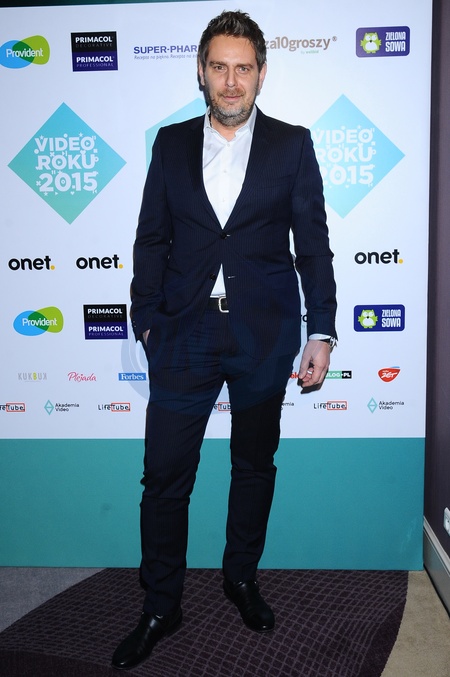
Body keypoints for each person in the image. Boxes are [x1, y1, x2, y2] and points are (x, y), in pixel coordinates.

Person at [112, 9, 337, 671]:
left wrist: (321, 330)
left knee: (254, 465)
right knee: (164, 478)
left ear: (261, 73)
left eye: (243, 68)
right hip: (182, 333)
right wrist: (146, 319)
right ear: (202, 72)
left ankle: (240, 576)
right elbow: (151, 238)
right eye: (219, 67)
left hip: (264, 335)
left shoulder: (292, 145)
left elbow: (313, 247)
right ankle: (161, 603)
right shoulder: (171, 144)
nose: (231, 81)